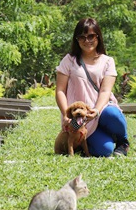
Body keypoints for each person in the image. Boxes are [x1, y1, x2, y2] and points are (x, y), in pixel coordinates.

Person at [55, 17, 130, 157]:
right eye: (82, 37)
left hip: (100, 111)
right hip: (78, 118)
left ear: (98, 37)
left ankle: (122, 142)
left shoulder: (107, 61)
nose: (87, 40)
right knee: (104, 151)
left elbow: (105, 90)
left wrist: (96, 110)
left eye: (91, 36)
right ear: (76, 39)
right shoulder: (69, 60)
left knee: (112, 114)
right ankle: (89, 139)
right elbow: (60, 90)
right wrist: (66, 114)